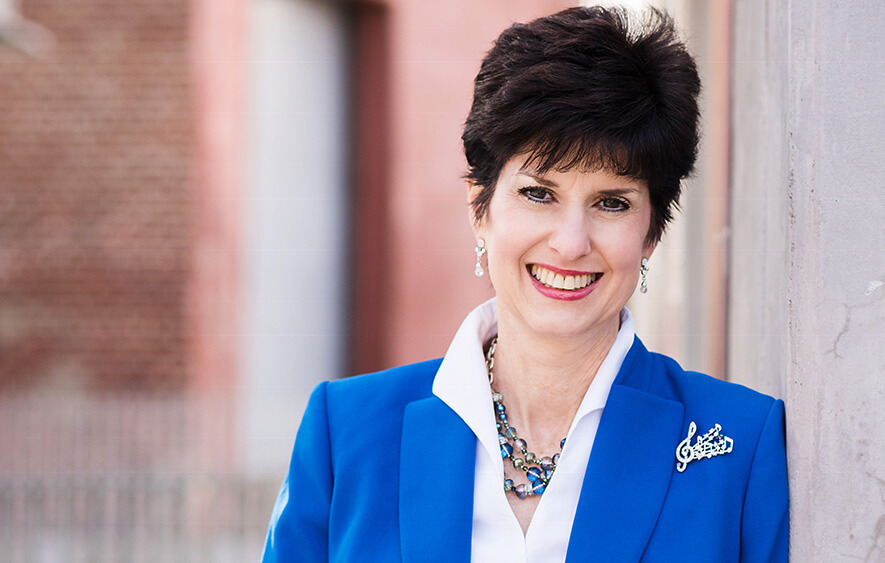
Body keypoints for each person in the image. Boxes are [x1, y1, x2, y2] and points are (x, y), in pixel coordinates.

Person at [261, 6, 788, 562]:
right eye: (540, 193)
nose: (571, 242)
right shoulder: (345, 434)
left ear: (651, 233)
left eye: (611, 203)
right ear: (479, 206)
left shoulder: (741, 447)